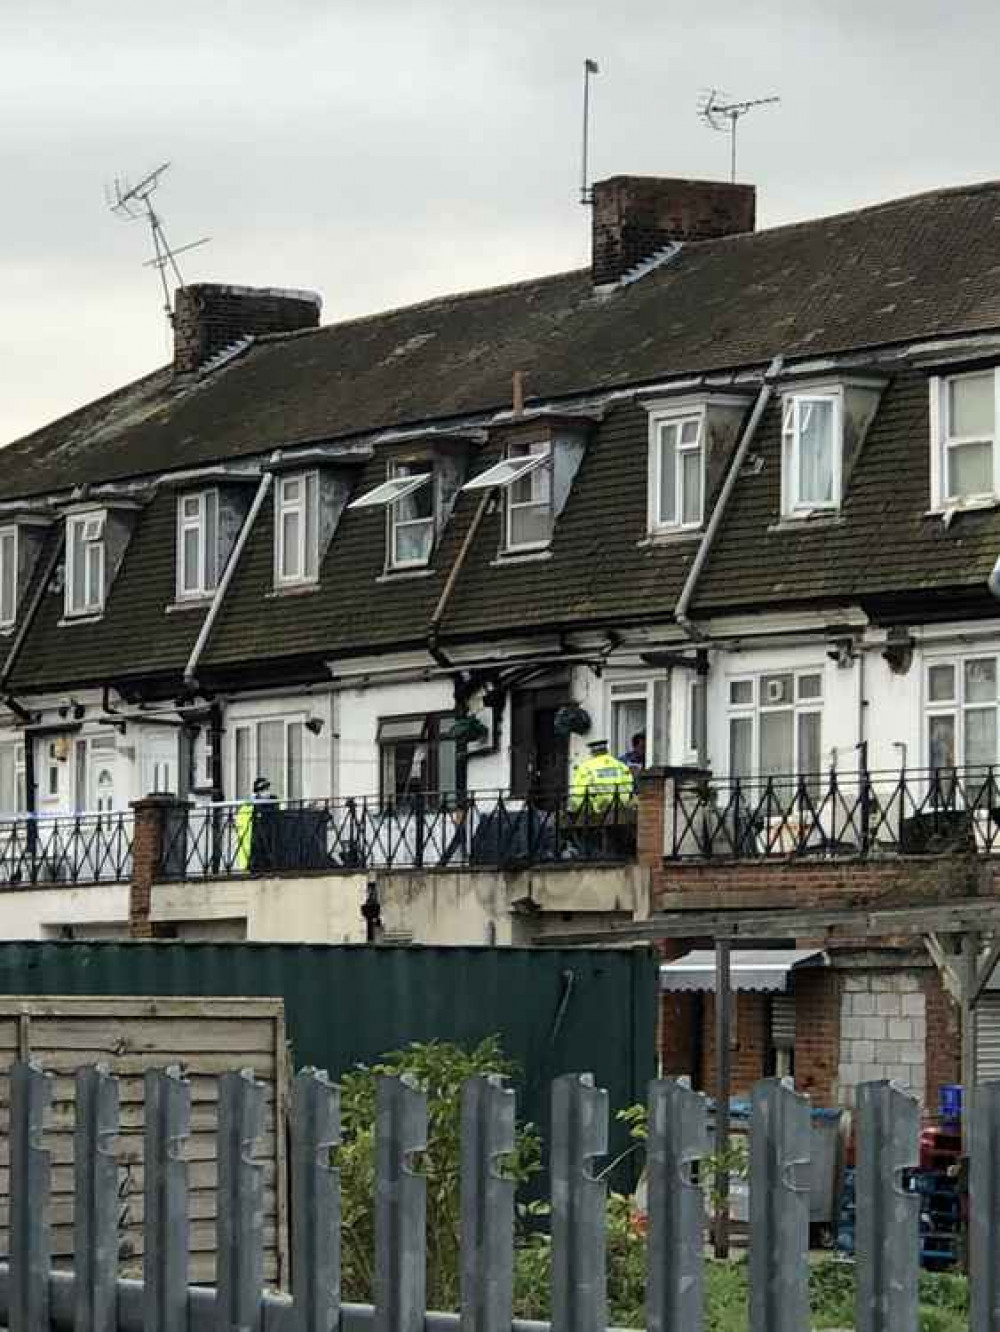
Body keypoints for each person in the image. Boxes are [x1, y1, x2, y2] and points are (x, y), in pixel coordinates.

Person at [569, 739, 635, 814]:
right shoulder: (621, 766)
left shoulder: (585, 767)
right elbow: (629, 787)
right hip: (619, 809)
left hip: (597, 812)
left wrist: (573, 809)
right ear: (606, 750)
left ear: (592, 752)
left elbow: (579, 792)